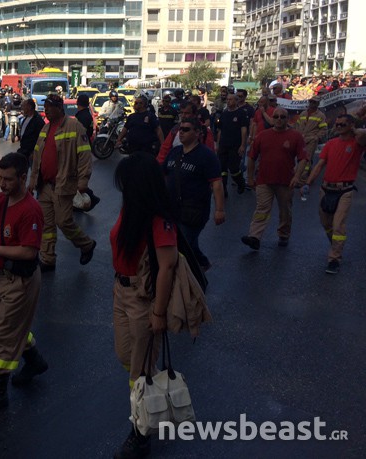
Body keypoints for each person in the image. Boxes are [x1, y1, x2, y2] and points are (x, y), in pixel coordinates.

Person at [110, 152, 179, 458]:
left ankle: (141, 435)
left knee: (140, 373)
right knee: (126, 356)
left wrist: (158, 313)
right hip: (121, 292)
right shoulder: (131, 208)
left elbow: (166, 268)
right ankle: (148, 397)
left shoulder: (159, 220)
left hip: (143, 300)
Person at [0, 152, 46, 415]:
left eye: (8, 179)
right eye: (0, 178)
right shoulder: (0, 200)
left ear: (23, 178)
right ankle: (34, 360)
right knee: (12, 326)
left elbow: (29, 251)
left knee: (4, 335)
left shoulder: (31, 210)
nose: (2, 184)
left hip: (19, 281)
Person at [28, 94, 96, 272]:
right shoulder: (45, 129)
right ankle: (48, 258)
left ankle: (86, 244)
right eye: (46, 106)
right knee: (47, 225)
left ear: (59, 108)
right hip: (44, 186)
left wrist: (83, 180)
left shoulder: (74, 126)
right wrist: (32, 180)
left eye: (50, 106)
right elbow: (37, 157)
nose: (46, 110)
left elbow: (84, 155)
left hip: (63, 185)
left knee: (64, 221)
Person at [305, 114, 366, 274]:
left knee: (338, 225)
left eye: (342, 125)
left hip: (344, 190)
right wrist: (308, 183)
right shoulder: (331, 144)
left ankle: (334, 259)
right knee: (326, 224)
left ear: (351, 125)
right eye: (337, 124)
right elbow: (320, 165)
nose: (338, 127)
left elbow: (363, 134)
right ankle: (335, 245)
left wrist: (353, 128)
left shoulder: (358, 143)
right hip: (326, 189)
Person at [163, 118, 225, 271]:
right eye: (180, 129)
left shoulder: (207, 156)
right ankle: (202, 262)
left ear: (197, 133)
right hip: (173, 209)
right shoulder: (174, 152)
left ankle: (191, 281)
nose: (181, 132)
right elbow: (164, 176)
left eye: (186, 129)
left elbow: (217, 184)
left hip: (194, 211)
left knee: (181, 246)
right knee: (188, 243)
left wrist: (219, 210)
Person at [241, 107, 307, 251]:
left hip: (285, 181)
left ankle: (283, 234)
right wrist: (250, 178)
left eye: (282, 117)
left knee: (285, 211)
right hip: (264, 180)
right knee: (261, 209)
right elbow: (252, 157)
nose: (278, 119)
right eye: (275, 116)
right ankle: (255, 237)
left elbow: (303, 159)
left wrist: (297, 176)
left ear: (287, 119)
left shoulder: (296, 136)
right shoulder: (262, 136)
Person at [216, 93, 248, 196]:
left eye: (231, 99)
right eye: (227, 100)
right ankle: (224, 189)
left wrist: (243, 145)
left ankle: (240, 182)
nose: (228, 101)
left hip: (235, 145)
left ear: (236, 101)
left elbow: (244, 130)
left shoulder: (241, 113)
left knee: (233, 168)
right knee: (222, 168)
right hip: (223, 145)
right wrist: (218, 143)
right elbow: (220, 130)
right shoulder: (224, 114)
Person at [295, 96, 328, 185]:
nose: (313, 104)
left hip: (311, 140)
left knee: (307, 159)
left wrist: (316, 137)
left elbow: (324, 129)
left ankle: (302, 179)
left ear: (318, 104)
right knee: (299, 158)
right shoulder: (303, 114)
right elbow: (297, 126)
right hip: (300, 140)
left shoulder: (320, 115)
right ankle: (301, 175)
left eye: (315, 102)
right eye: (312, 102)